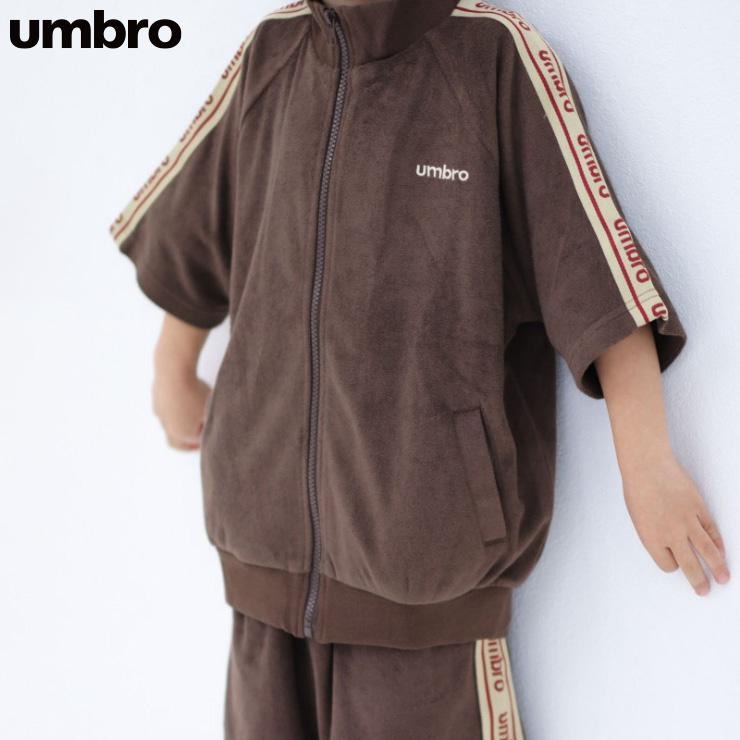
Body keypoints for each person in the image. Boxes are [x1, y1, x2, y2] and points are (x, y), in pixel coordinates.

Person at [110, 0, 730, 737]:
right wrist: (172, 366)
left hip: (428, 587)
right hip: (260, 565)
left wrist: (647, 462)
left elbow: (595, 277)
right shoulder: (271, 50)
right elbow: (195, 230)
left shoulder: (493, 56)